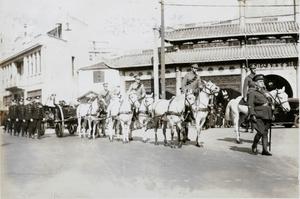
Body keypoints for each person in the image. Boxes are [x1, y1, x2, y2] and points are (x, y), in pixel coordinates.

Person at [248, 74, 273, 156]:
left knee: (265, 132)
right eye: (260, 81)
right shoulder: (253, 93)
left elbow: (270, 103)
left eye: (262, 81)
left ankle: (264, 150)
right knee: (260, 132)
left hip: (268, 114)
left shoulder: (266, 92)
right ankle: (254, 145)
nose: (262, 83)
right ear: (256, 83)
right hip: (258, 115)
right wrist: (252, 114)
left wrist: (272, 113)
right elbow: (250, 105)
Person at [181, 63, 204, 141]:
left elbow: (200, 85)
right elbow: (183, 85)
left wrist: (200, 87)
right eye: (194, 68)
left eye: (196, 69)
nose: (195, 70)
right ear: (191, 68)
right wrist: (185, 93)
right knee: (184, 111)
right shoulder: (187, 76)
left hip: (194, 96)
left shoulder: (198, 77)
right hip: (187, 96)